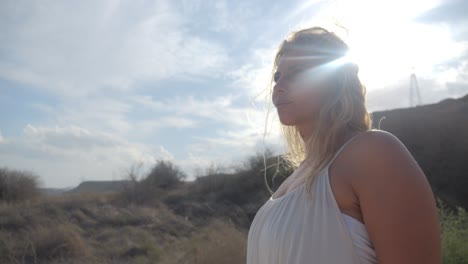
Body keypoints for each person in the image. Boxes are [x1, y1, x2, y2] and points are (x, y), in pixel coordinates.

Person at [246, 27, 441, 264]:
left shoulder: (373, 154)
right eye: (278, 76)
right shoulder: (295, 178)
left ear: (335, 80)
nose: (279, 86)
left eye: (296, 73)